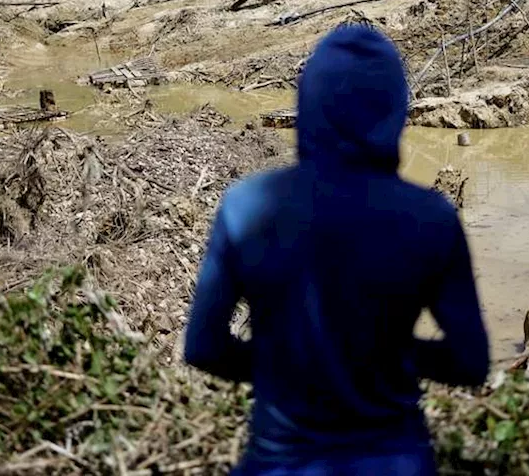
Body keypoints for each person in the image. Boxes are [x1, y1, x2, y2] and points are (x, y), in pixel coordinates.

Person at [184, 23, 489, 475]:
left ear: (308, 104)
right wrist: (389, 353)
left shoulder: (245, 206)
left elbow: (204, 348)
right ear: (395, 108)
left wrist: (282, 361)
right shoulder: (431, 217)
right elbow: (470, 363)